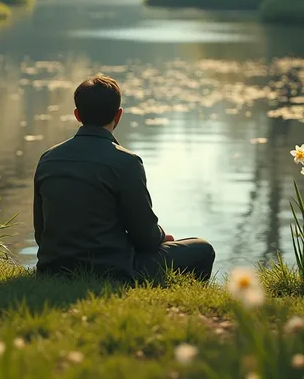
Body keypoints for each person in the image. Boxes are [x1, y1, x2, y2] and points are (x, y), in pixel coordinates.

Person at [33, 74, 215, 282]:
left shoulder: (48, 159)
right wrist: (162, 235)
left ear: (77, 115)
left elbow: (41, 233)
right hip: (112, 270)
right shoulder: (126, 162)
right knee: (202, 248)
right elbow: (145, 239)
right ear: (118, 115)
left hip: (54, 267)